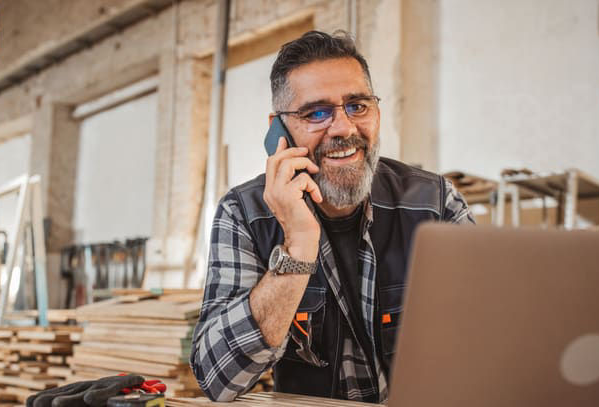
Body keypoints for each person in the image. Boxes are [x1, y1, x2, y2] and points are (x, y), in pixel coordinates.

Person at [190, 30, 474, 403]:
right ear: (279, 130)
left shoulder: (435, 204)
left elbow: (486, 342)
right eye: (316, 113)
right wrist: (298, 247)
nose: (343, 128)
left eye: (358, 105)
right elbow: (217, 377)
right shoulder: (243, 213)